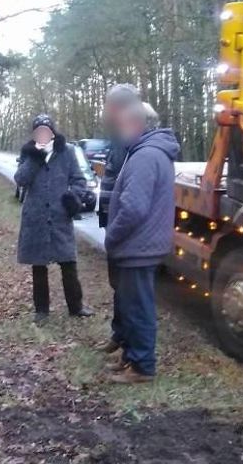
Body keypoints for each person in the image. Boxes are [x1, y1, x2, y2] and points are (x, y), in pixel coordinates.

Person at [104, 101, 180, 384]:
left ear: (136, 124)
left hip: (138, 246)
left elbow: (134, 207)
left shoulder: (145, 156)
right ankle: (131, 358)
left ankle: (142, 366)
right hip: (141, 245)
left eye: (123, 124)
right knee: (132, 304)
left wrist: (112, 235)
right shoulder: (149, 152)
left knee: (138, 308)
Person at [14, 114, 95, 324]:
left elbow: (79, 180)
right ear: (34, 134)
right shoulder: (28, 153)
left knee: (68, 262)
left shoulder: (66, 151)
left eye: (46, 130)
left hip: (60, 216)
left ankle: (76, 307)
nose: (42, 134)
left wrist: (73, 197)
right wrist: (36, 157)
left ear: (52, 132)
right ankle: (41, 311)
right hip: (35, 217)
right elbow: (21, 179)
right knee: (38, 266)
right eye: (38, 131)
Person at [94, 83, 141, 355]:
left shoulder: (134, 139)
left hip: (124, 223)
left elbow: (131, 189)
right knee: (117, 284)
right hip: (111, 217)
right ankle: (119, 335)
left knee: (128, 287)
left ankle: (131, 347)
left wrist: (119, 223)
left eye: (111, 106)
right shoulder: (117, 138)